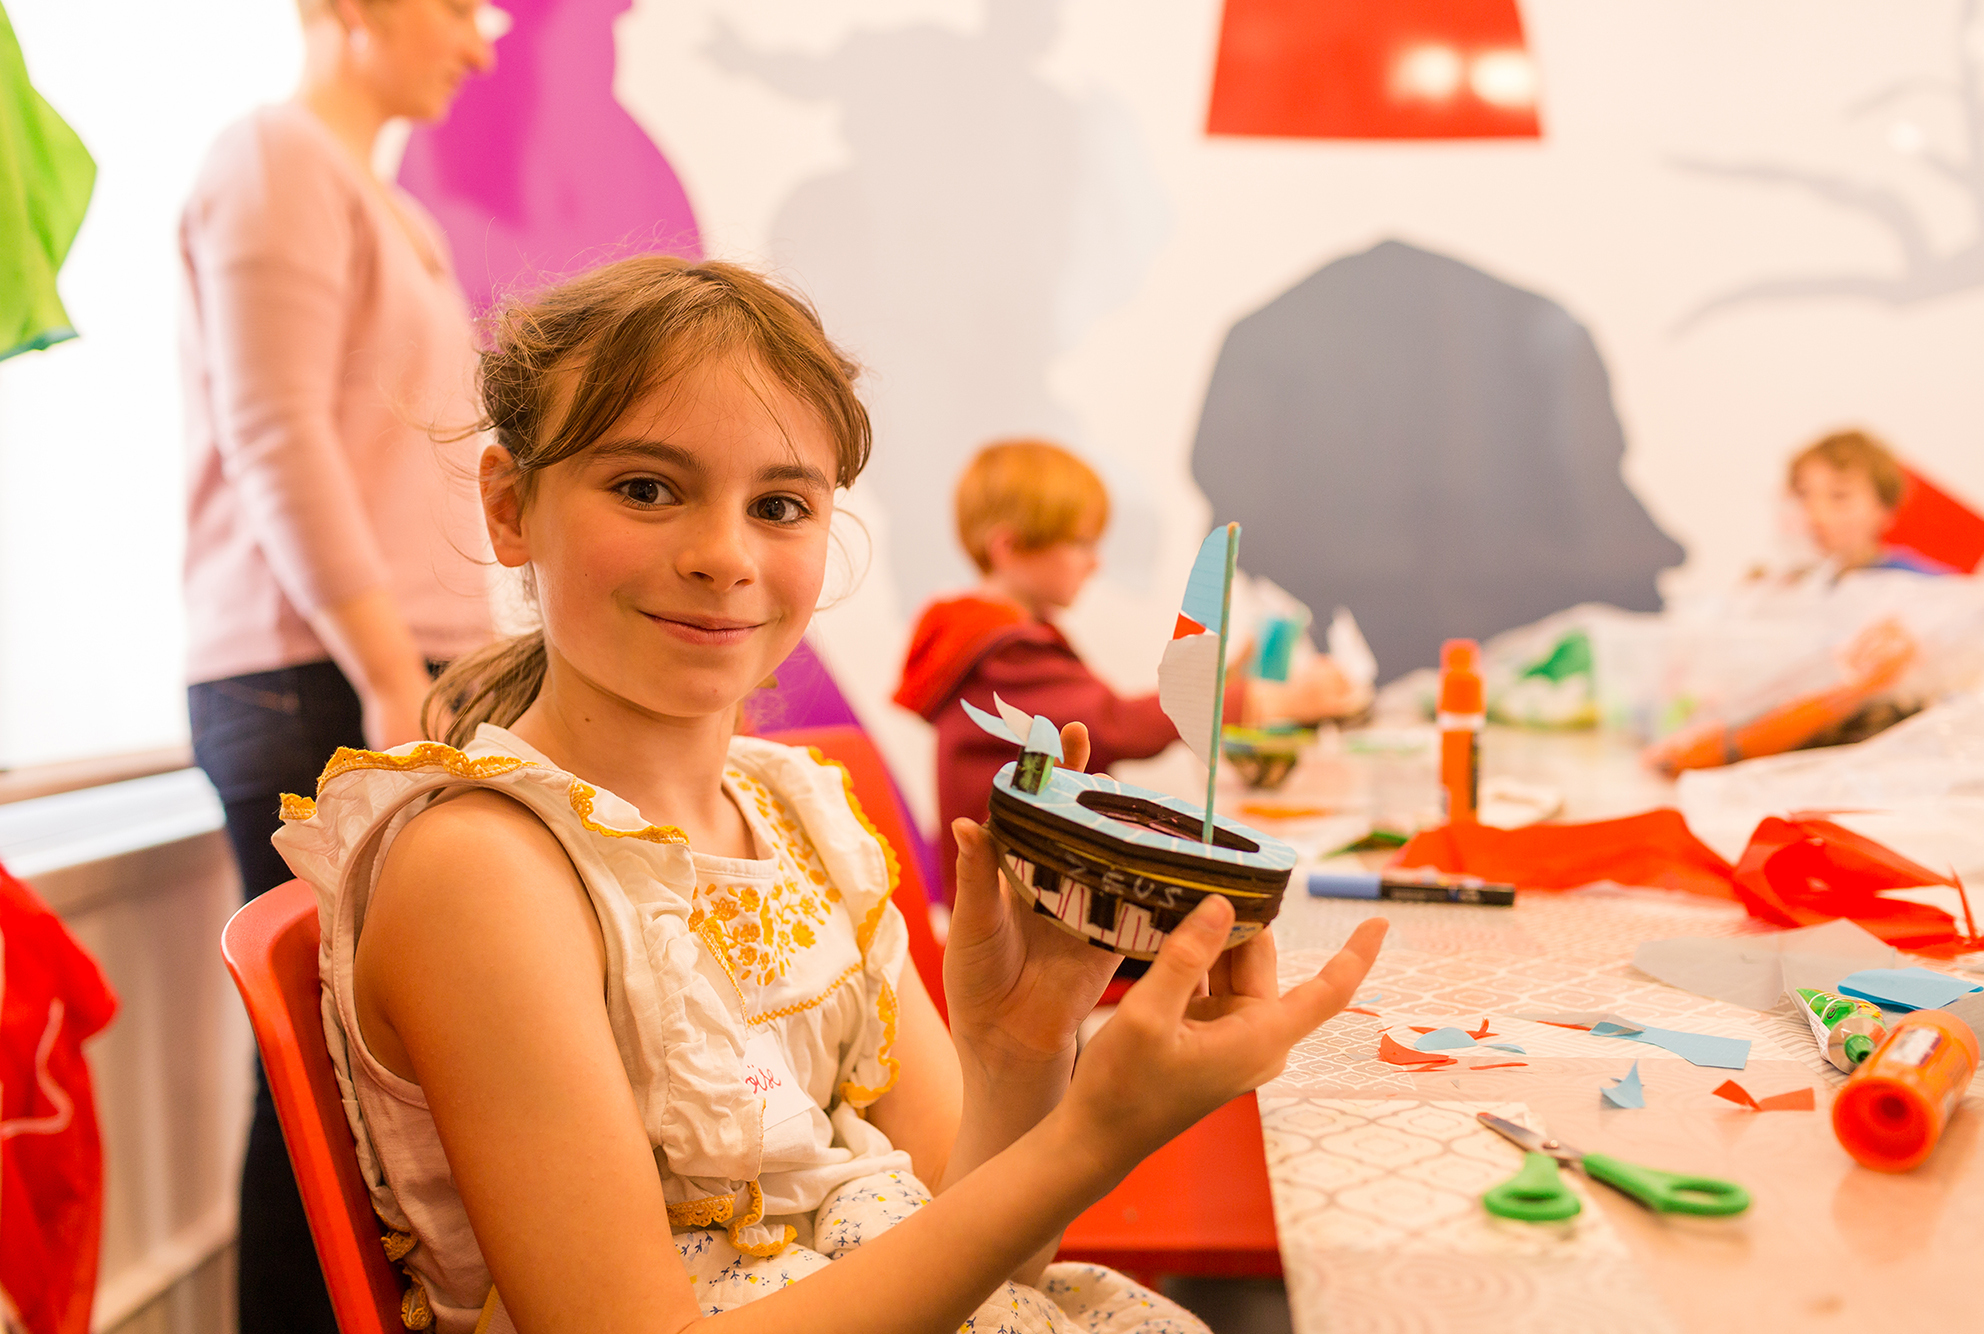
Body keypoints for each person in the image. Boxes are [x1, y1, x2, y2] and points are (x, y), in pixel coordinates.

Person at [273, 256, 1387, 1333]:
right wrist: (1090, 1136)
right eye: (645, 487)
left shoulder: (801, 815)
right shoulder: (483, 869)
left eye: (779, 505)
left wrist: (1021, 1056)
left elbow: (983, 1264)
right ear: (511, 506)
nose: (722, 553)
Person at [178, 2, 499, 1327]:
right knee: (317, 1078)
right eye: (456, 7)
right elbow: (278, 439)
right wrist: (384, 673)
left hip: (388, 664)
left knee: (383, 1075)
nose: (480, 44)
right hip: (314, 671)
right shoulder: (274, 160)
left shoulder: (382, 205)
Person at [894, 439, 1360, 896]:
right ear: (1009, 547)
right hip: (1013, 902)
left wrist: (1226, 685)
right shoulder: (1003, 651)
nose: (1095, 562)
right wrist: (1280, 700)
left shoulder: (996, 638)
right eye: (1079, 543)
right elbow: (1115, 723)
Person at [1788, 430, 1952, 576]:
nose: (1817, 514)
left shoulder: (1914, 580)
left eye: (1839, 496)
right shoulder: (1810, 582)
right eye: (1804, 495)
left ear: (1883, 509)